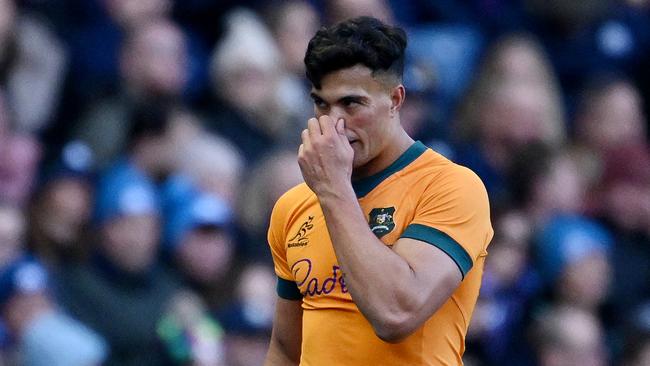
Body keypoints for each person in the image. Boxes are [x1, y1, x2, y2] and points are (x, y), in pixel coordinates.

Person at [265, 16, 493, 366]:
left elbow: (396, 314)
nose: (334, 123)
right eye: (321, 104)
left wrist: (334, 190)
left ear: (395, 99)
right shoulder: (293, 207)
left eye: (351, 103)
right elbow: (284, 349)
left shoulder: (450, 187)